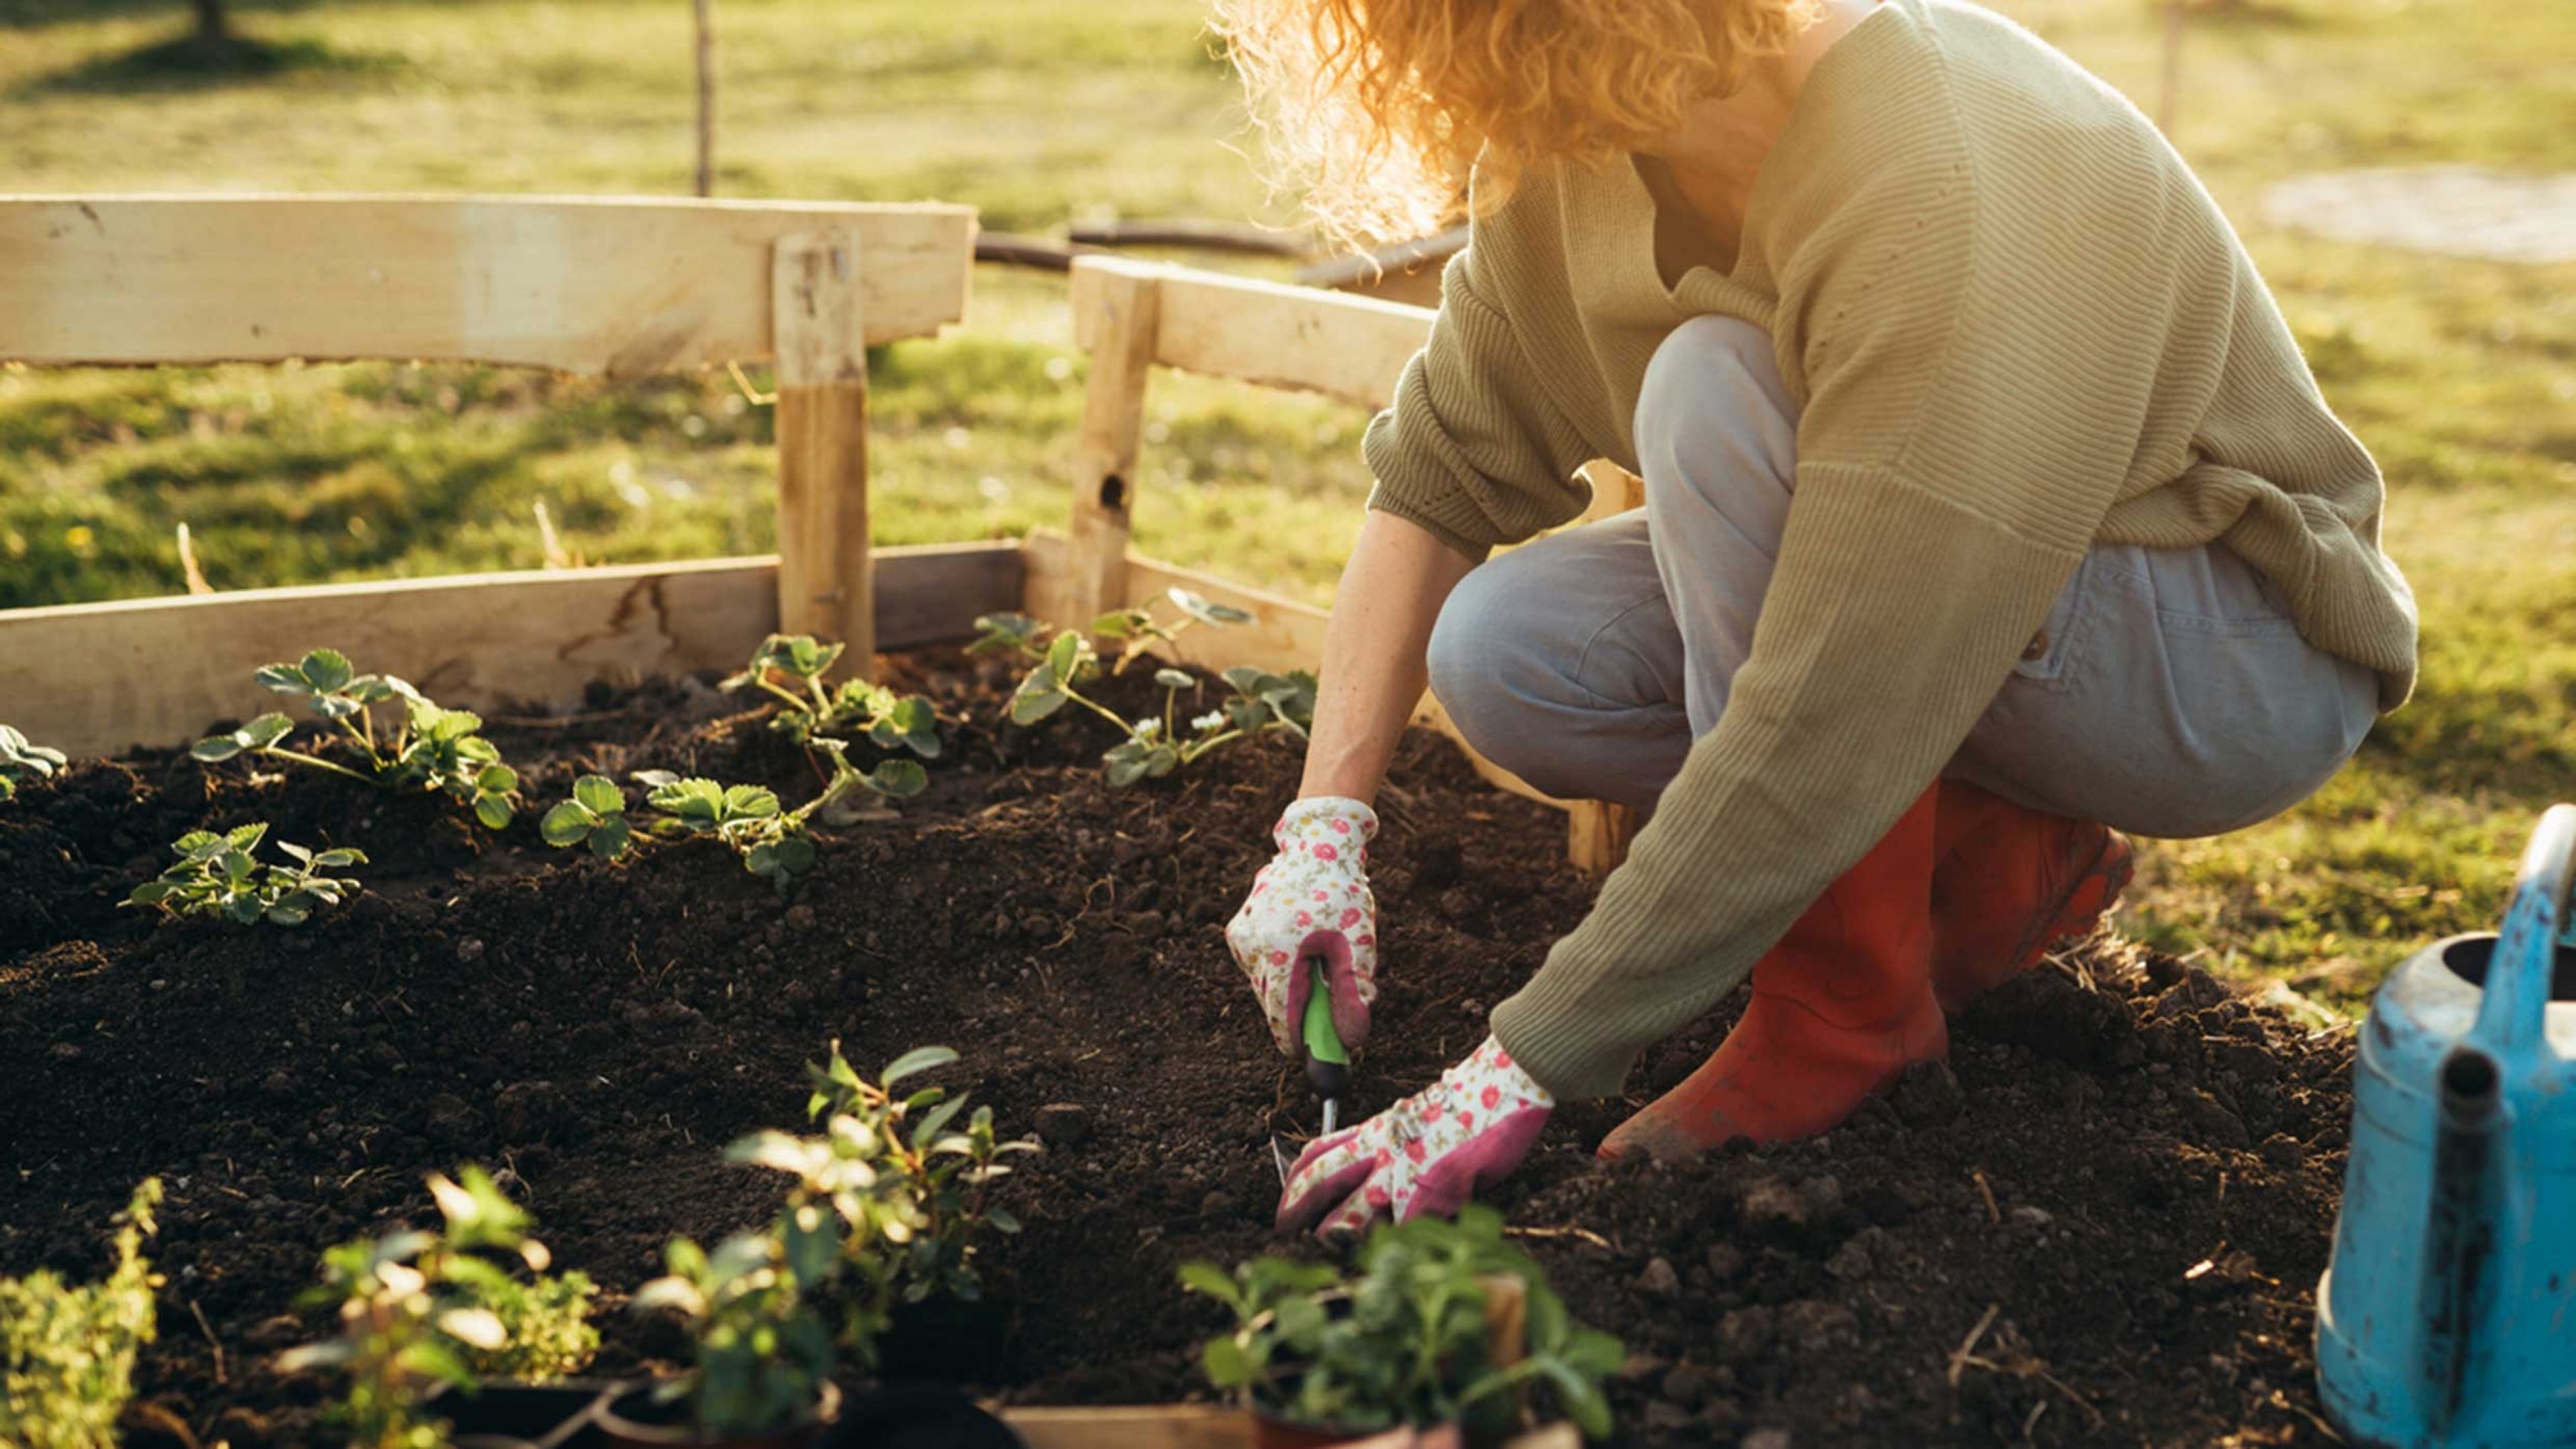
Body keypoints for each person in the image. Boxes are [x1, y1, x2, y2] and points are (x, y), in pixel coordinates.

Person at [1217, 0, 2417, 1237]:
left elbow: (1832, 698)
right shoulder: (1579, 140)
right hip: (1968, 602)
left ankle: (1846, 1012)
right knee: (1510, 652)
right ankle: (1992, 844)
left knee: (1710, 391)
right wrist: (1323, 828)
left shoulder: (1935, 163)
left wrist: (1515, 1069)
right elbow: (1436, 472)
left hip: (2227, 647)